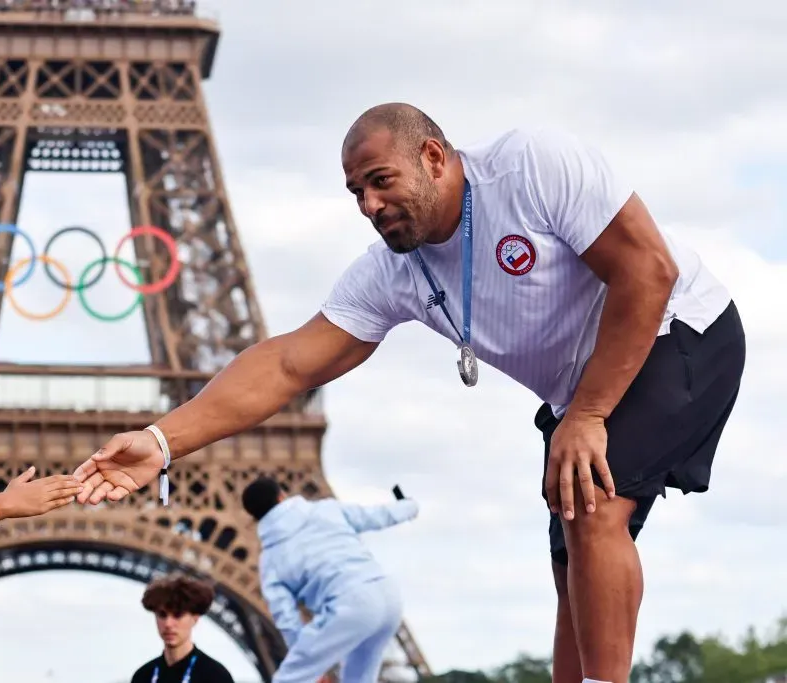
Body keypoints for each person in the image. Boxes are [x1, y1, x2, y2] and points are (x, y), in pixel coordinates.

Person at [73, 102, 746, 683]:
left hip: (678, 327)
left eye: (380, 181)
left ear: (432, 156)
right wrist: (162, 441)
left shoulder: (531, 166)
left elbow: (647, 268)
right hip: (582, 389)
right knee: (572, 555)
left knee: (594, 503)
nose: (369, 205)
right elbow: (285, 366)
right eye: (355, 192)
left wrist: (591, 413)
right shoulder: (392, 273)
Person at [242, 476, 417, 682]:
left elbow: (287, 618)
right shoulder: (327, 510)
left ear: (254, 517)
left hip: (350, 606)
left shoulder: (270, 558)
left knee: (290, 678)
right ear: (282, 496)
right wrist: (409, 506)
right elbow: (378, 516)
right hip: (387, 594)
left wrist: (308, 657)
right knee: (358, 678)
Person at [130, 576, 234, 683]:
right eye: (162, 615)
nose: (168, 624)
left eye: (177, 615)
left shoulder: (216, 676)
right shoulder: (143, 676)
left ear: (195, 619)